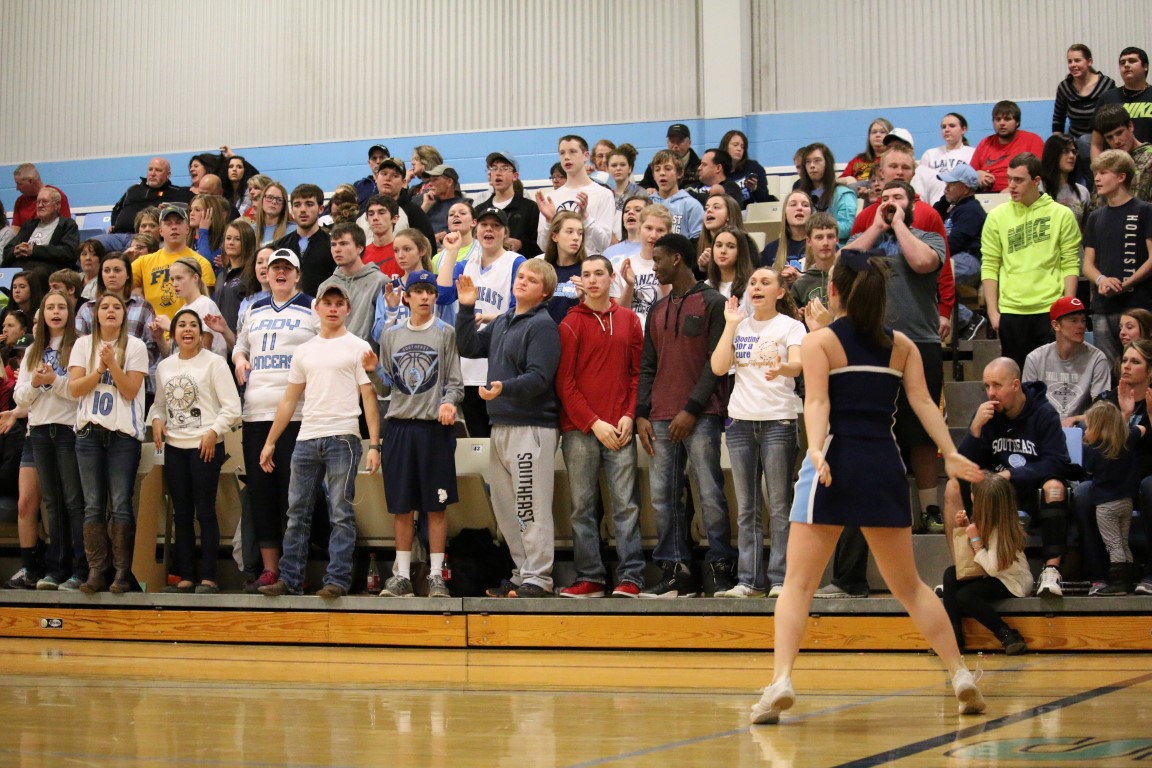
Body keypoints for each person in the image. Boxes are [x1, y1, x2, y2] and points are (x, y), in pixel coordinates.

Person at [750, 249, 986, 725]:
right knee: (911, 586)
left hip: (835, 461)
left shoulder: (820, 342)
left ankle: (781, 681)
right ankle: (960, 673)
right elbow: (923, 404)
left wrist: (816, 450)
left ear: (833, 290)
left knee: (798, 585)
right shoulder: (903, 345)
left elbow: (817, 402)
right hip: (883, 464)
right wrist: (951, 451)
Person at [818, 181, 946, 593]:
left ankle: (929, 509)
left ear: (912, 203)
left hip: (917, 342)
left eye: (898, 198)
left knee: (920, 434)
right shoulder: (865, 242)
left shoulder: (926, 236)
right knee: (869, 447)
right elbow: (841, 265)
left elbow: (923, 263)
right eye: (884, 199)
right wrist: (876, 226)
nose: (890, 204)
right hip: (869, 344)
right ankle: (852, 573)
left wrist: (901, 225)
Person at [257, 283, 380, 598]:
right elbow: (289, 399)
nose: (333, 308)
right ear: (318, 308)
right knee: (296, 511)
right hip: (307, 436)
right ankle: (290, 579)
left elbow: (369, 398)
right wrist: (271, 441)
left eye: (339, 303)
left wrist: (374, 444)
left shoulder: (358, 347)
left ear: (348, 309)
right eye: (328, 303)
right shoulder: (304, 350)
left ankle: (337, 579)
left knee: (341, 512)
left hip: (344, 437)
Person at [635, 233, 735, 597]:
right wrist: (641, 413)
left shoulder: (713, 303)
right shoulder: (657, 309)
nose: (654, 266)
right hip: (659, 416)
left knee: (710, 494)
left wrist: (691, 409)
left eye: (658, 259)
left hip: (702, 415)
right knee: (663, 498)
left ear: (677, 258)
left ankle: (721, 569)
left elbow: (716, 366)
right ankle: (677, 572)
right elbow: (648, 365)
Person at [455, 260, 561, 598]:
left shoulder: (542, 326)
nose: (522, 281)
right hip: (500, 425)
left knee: (530, 506)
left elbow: (540, 377)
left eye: (532, 279)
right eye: (520, 276)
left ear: (545, 292)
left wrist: (504, 388)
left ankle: (539, 578)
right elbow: (469, 347)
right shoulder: (503, 320)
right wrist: (466, 307)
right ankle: (521, 574)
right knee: (506, 509)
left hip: (531, 426)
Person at [555, 255, 645, 598]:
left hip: (621, 426)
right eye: (587, 274)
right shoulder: (570, 323)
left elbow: (637, 374)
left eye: (598, 274)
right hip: (580, 429)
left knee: (626, 505)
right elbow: (565, 384)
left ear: (611, 279)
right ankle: (590, 576)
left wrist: (628, 414)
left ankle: (631, 576)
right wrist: (594, 423)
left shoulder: (629, 320)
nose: (592, 280)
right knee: (583, 506)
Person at [712, 268, 804, 598]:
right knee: (747, 508)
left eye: (765, 282)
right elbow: (718, 367)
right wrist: (730, 325)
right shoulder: (738, 325)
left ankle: (781, 579)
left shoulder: (791, 326)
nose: (757, 287)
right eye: (753, 283)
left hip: (778, 422)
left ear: (780, 292)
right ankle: (749, 581)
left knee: (779, 505)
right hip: (740, 423)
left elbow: (798, 364)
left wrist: (782, 368)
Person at [945, 357, 1072, 597]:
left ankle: (1051, 569)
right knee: (953, 486)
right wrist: (974, 431)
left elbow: (1056, 462)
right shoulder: (986, 415)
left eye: (997, 385)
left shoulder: (1044, 413)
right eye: (986, 386)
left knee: (1054, 486)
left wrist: (1012, 474)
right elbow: (963, 467)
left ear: (1015, 385)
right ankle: (964, 568)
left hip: (1031, 490)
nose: (991, 393)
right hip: (997, 494)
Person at [372, 270, 463, 599]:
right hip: (399, 427)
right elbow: (386, 386)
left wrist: (449, 402)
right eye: (419, 291)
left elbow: (455, 382)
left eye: (430, 291)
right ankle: (401, 576)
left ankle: (436, 575)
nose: (425, 297)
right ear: (406, 297)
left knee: (435, 506)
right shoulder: (391, 334)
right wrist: (371, 368)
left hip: (433, 428)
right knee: (402, 507)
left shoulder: (445, 332)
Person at [232, 250, 319, 592]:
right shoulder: (253, 309)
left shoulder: (312, 307)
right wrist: (240, 359)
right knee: (262, 493)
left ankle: (294, 569)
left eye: (287, 268)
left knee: (293, 495)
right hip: (256, 413)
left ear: (297, 274)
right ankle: (270, 570)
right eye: (274, 268)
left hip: (297, 415)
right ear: (266, 274)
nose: (280, 273)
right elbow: (239, 346)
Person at [152, 308, 241, 594]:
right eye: (182, 325)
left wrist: (213, 432)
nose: (187, 329)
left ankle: (210, 577)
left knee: (205, 511)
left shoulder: (215, 363)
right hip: (175, 448)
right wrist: (156, 419)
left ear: (202, 334)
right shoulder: (165, 366)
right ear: (173, 333)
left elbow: (232, 408)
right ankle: (186, 576)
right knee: (181, 514)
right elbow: (160, 405)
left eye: (193, 325)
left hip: (206, 446)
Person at [69, 292, 148, 594]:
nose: (111, 311)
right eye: (105, 307)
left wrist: (112, 363)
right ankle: (96, 571)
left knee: (120, 504)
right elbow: (75, 388)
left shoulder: (136, 346)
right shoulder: (82, 345)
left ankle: (122, 573)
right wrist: (100, 369)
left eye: (117, 307)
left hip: (123, 437)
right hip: (89, 434)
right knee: (92, 505)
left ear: (124, 315)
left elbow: (130, 390)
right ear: (96, 314)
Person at [981, 153, 1082, 368]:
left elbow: (1070, 263)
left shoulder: (1061, 214)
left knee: (1052, 376)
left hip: (1050, 308)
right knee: (1016, 378)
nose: (1011, 185)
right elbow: (989, 265)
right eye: (1009, 179)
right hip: (1012, 310)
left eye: (1019, 180)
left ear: (1036, 181)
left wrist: (1067, 308)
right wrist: (992, 311)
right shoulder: (996, 216)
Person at [13, 291, 85, 591]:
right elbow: (21, 398)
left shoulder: (80, 345)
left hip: (69, 429)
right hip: (39, 430)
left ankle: (80, 569)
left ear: (70, 312)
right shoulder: (33, 350)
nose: (55, 312)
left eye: (61, 307)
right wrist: (35, 382)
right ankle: (56, 570)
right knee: (52, 504)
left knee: (74, 502)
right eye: (50, 307)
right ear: (42, 314)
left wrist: (53, 380)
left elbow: (79, 392)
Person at [437, 210, 525, 438]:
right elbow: (442, 295)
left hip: (502, 363)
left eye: (496, 226)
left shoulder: (516, 262)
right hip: (470, 367)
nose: (489, 230)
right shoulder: (466, 265)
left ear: (505, 233)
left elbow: (521, 311)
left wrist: (487, 318)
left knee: (503, 435)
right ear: (476, 230)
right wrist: (451, 252)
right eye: (484, 225)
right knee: (479, 439)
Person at [941, 473, 1031, 655]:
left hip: (1012, 581)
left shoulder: (1002, 531)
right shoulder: (989, 521)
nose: (971, 496)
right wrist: (966, 526)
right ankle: (953, 637)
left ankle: (1008, 635)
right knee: (950, 575)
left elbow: (991, 567)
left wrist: (975, 539)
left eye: (974, 494)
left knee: (966, 596)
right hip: (993, 575)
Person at [1083, 149, 1152, 362]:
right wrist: (1102, 280)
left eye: (1103, 172)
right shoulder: (1095, 217)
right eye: (1095, 173)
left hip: (1138, 304)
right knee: (1108, 367)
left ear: (1121, 176)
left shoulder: (1145, 210)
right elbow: (1087, 265)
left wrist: (1127, 283)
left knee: (1140, 362)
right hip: (1103, 306)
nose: (1097, 178)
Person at [1081, 401, 1143, 595]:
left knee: (1113, 544)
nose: (1086, 430)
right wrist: (1125, 417)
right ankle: (1129, 578)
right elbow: (1141, 429)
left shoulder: (1092, 448)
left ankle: (1118, 583)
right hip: (1126, 502)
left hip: (1106, 505)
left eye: (1088, 426)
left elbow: (1088, 470)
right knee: (1123, 541)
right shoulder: (1127, 439)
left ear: (1096, 427)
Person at [131, 204, 217, 323]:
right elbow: (117, 287)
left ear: (187, 228)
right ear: (160, 230)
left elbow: (205, 306)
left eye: (178, 222)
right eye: (168, 223)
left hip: (186, 330)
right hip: (153, 331)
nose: (174, 227)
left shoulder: (201, 263)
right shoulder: (143, 262)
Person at [537, 135, 617, 256]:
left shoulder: (604, 194)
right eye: (562, 153)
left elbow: (603, 244)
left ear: (586, 156)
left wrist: (585, 218)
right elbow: (543, 246)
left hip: (589, 264)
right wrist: (549, 222)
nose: (567, 157)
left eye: (572, 152)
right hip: (558, 264)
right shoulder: (551, 198)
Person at [933, 162, 987, 339]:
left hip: (969, 260)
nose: (946, 188)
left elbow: (955, 242)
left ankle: (969, 319)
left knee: (929, 278)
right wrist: (945, 199)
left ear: (965, 189)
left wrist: (932, 256)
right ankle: (965, 319)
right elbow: (932, 216)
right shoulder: (955, 208)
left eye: (951, 184)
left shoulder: (972, 210)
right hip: (955, 258)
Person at [316, 222, 387, 348]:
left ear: (360, 248)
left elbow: (385, 329)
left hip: (366, 356)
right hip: (332, 354)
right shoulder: (325, 286)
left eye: (343, 244)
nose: (337, 249)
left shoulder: (379, 282)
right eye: (333, 244)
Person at [100, 158, 193, 251]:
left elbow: (189, 209)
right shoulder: (134, 189)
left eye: (158, 170)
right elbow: (117, 208)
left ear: (168, 174)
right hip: (118, 236)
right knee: (95, 244)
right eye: (150, 169)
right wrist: (114, 224)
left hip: (148, 238)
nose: (153, 173)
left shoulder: (177, 192)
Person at [1054, 44, 1115, 184]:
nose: (1073, 65)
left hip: (1101, 138)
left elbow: (1113, 117)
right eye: (1070, 61)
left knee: (1084, 141)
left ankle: (1096, 183)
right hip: (1074, 138)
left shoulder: (1106, 84)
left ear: (1089, 62)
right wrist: (1056, 145)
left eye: (1077, 60)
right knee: (1062, 147)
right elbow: (1058, 119)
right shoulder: (1064, 87)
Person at [153, 258, 231, 357]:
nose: (174, 284)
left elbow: (203, 349)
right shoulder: (180, 311)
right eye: (172, 279)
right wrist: (159, 337)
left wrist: (171, 327)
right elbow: (172, 354)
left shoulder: (205, 305)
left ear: (195, 278)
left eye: (179, 278)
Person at [473, 151, 542, 259]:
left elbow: (541, 244)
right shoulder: (480, 210)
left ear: (515, 176)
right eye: (494, 168)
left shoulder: (530, 208)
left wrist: (521, 245)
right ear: (490, 175)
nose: (498, 173)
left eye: (504, 168)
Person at [613, 203, 672, 330]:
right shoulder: (623, 266)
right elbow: (618, 315)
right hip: (631, 335)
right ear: (640, 229)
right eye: (648, 228)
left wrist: (664, 276)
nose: (653, 235)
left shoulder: (674, 267)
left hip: (661, 334)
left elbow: (675, 310)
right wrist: (630, 285)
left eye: (660, 230)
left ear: (668, 234)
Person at [970, 100, 1046, 192]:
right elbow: (969, 174)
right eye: (998, 119)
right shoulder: (985, 143)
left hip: (1021, 192)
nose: (1002, 123)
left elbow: (1037, 174)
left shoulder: (1032, 140)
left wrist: (1012, 189)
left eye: (1007, 119)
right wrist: (978, 174)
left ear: (1017, 122)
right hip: (987, 194)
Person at [2, 187, 80, 274]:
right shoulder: (29, 225)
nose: (40, 205)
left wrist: (34, 251)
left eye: (45, 202)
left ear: (57, 205)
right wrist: (15, 250)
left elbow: (68, 253)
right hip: (22, 267)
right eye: (38, 202)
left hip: (48, 269)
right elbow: (7, 251)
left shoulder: (67, 225)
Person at [270, 184, 330, 297]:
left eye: (309, 204)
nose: (303, 210)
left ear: (321, 209)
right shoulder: (279, 247)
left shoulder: (332, 246)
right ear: (292, 209)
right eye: (297, 205)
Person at [1091, 47, 1152, 156]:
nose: (1126, 65)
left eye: (1132, 61)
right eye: (1122, 62)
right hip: (1116, 162)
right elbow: (1096, 144)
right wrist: (1097, 166)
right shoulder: (1107, 98)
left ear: (1145, 66)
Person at [1092, 104, 1152, 203]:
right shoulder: (1106, 163)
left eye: (1119, 133)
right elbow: (1095, 205)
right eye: (1109, 137)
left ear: (1130, 126)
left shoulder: (1150, 158)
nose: (1116, 141)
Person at [798, 144, 856, 243]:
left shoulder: (843, 194)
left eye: (817, 160)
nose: (812, 165)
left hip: (835, 247)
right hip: (803, 246)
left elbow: (847, 227)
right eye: (808, 162)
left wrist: (816, 229)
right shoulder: (801, 195)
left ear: (827, 163)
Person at [213, 220, 259, 334]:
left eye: (237, 239)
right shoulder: (221, 275)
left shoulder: (253, 274)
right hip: (220, 340)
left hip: (242, 338)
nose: (231, 243)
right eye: (228, 238)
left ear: (247, 242)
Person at [647, 150, 704, 240]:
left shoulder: (691, 205)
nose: (662, 173)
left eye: (668, 169)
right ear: (653, 176)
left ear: (680, 173)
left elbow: (698, 240)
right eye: (657, 170)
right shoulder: (647, 203)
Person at [542, 211, 586, 324]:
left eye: (580, 233)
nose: (576, 238)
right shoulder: (544, 270)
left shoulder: (587, 272)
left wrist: (586, 297)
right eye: (569, 232)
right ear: (555, 236)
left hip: (575, 332)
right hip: (545, 332)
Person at [789, 212, 838, 311]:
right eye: (819, 237)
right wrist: (799, 316)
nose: (825, 243)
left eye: (830, 236)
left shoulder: (849, 277)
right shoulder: (800, 285)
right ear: (809, 241)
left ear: (837, 239)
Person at [1040, 134, 1090, 227]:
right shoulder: (1038, 188)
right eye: (1065, 151)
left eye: (1074, 152)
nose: (1072, 156)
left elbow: (1085, 229)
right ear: (1053, 154)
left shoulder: (1083, 192)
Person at [919, 113, 976, 195]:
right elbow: (921, 181)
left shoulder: (972, 153)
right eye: (943, 127)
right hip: (934, 198)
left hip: (960, 198)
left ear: (963, 130)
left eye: (952, 126)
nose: (947, 130)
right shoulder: (929, 154)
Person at [762, 190, 812, 274]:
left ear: (811, 213)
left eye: (805, 205)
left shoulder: (821, 245)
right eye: (793, 204)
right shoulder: (770, 250)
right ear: (784, 213)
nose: (799, 208)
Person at [640, 123, 701, 190]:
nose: (675, 145)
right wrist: (647, 189)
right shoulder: (654, 166)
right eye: (672, 141)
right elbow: (642, 186)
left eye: (680, 141)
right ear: (667, 142)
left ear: (689, 143)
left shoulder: (699, 167)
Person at [10, 163, 71, 229]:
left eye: (19, 184)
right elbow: (16, 227)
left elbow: (66, 226)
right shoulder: (20, 201)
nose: (17, 188)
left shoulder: (57, 196)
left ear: (30, 181)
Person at [720, 129, 772, 205]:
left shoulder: (753, 167)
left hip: (749, 210)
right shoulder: (718, 170)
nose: (739, 149)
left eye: (742, 147)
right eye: (735, 145)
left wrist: (755, 189)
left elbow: (765, 199)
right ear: (725, 147)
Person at [839, 117, 892, 188]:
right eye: (874, 132)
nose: (877, 135)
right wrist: (847, 179)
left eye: (882, 132)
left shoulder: (893, 160)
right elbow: (837, 181)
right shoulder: (858, 160)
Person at [420, 165, 465, 244]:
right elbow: (412, 229)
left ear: (449, 182)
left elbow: (466, 229)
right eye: (429, 180)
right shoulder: (426, 203)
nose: (429, 184)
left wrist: (446, 234)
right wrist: (425, 206)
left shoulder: (463, 206)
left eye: (435, 179)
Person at [604, 195, 647, 264]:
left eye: (638, 210)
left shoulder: (654, 250)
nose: (630, 212)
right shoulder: (608, 252)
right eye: (626, 211)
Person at [607, 144, 645, 217]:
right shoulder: (604, 193)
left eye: (622, 165)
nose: (618, 168)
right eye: (614, 165)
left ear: (629, 168)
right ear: (607, 169)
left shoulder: (640, 193)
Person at [252, 181, 294, 246]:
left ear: (284, 205)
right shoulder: (251, 230)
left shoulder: (292, 230)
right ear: (262, 200)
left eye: (279, 199)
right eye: (269, 197)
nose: (274, 202)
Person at [353, 143, 390, 209]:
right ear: (369, 163)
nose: (378, 161)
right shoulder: (359, 185)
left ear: (389, 161)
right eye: (374, 158)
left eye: (382, 157)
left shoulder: (394, 183)